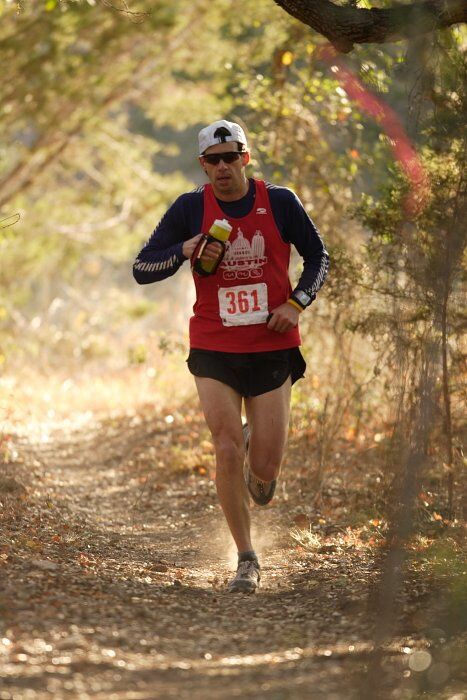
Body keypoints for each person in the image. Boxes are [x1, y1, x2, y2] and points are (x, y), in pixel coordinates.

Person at [133, 119, 329, 593]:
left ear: (245, 156)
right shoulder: (189, 208)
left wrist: (296, 302)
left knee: (264, 473)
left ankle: (256, 464)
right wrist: (184, 248)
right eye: (213, 160)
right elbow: (142, 268)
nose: (223, 167)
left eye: (231, 156)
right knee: (224, 446)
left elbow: (319, 257)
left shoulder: (279, 201)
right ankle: (246, 558)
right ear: (204, 165)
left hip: (271, 348)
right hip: (214, 346)